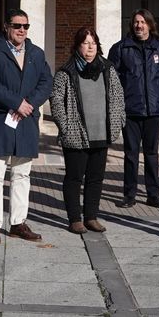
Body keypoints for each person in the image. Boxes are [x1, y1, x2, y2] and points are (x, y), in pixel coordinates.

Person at [0, 8, 52, 245]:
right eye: (17, 26)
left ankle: (18, 222)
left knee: (22, 174)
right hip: (0, 118)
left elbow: (46, 82)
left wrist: (28, 104)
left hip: (26, 120)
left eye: (26, 26)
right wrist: (16, 102)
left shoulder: (36, 53)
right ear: (6, 27)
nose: (22, 30)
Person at [50, 27, 126, 234]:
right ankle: (75, 219)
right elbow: (56, 101)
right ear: (77, 46)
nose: (90, 47)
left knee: (95, 178)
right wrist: (65, 127)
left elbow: (118, 97)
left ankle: (91, 217)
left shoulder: (107, 69)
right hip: (76, 135)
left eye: (93, 43)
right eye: (85, 43)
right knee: (74, 178)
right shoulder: (66, 72)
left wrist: (118, 123)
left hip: (101, 133)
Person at [109, 9, 159, 208]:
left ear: (150, 25)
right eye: (136, 22)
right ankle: (129, 195)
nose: (139, 25)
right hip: (131, 110)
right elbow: (112, 78)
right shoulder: (121, 48)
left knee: (152, 154)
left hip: (155, 111)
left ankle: (153, 194)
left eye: (143, 22)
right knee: (130, 154)